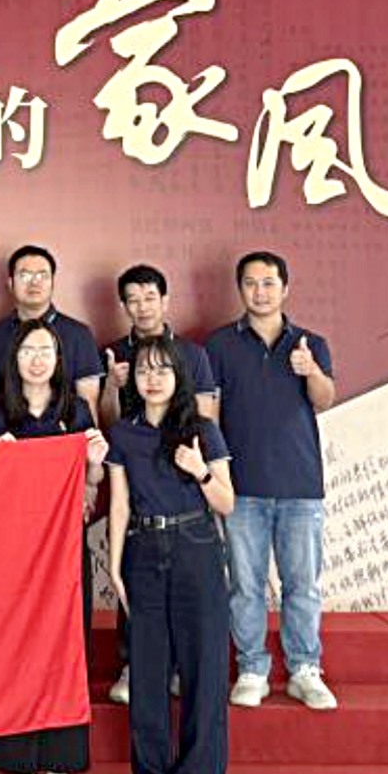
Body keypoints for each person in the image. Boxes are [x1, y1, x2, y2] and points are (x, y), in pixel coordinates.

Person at [104, 333, 235, 774]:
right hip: (143, 549)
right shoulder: (124, 434)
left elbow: (227, 502)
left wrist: (201, 471)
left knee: (203, 668)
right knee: (148, 669)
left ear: (178, 375)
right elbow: (119, 504)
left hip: (195, 545)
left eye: (162, 369)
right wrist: (115, 565)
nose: (152, 379)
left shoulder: (201, 429)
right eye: (143, 370)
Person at [0, 318, 108, 774]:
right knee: (14, 651)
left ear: (59, 360)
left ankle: (59, 766)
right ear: (14, 359)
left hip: (64, 549)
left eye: (46, 350)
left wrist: (94, 462)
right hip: (10, 554)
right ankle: (18, 766)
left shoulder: (75, 410)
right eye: (28, 350)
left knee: (66, 650)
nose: (37, 359)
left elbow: (91, 483)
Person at [204, 251, 339, 711]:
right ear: (239, 288)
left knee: (302, 584)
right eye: (250, 283)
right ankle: (252, 668)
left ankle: (305, 669)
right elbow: (210, 415)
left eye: (268, 283)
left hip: (300, 485)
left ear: (285, 288)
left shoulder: (310, 343)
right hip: (241, 488)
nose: (259, 292)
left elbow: (324, 399)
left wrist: (311, 371)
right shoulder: (219, 345)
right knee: (245, 585)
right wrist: (215, 475)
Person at [98, 264, 220, 705]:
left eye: (150, 297)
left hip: (183, 475)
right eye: (132, 299)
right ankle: (136, 664)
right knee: (138, 576)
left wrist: (200, 466)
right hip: (136, 475)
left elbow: (204, 416)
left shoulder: (192, 353)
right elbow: (108, 425)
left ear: (165, 300)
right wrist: (113, 387)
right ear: (123, 306)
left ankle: (178, 668)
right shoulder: (114, 354)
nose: (142, 306)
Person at [0, 244, 103, 419]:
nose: (34, 282)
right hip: (8, 431)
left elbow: (89, 404)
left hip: (64, 431)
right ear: (11, 283)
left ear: (53, 282)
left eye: (42, 275)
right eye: (25, 275)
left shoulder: (79, 335)